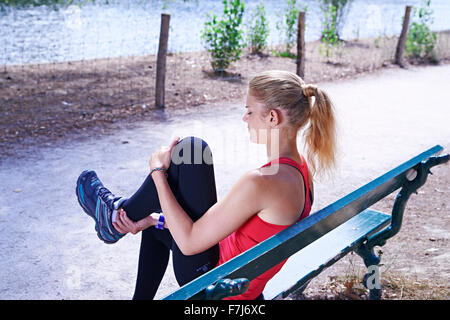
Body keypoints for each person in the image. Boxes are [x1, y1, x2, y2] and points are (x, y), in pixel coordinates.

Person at [75, 70, 337, 300]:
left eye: (249, 111)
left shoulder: (262, 182)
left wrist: (157, 171)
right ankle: (118, 216)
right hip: (239, 277)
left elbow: (189, 243)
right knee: (181, 170)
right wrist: (153, 219)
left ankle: (114, 217)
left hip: (218, 286)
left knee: (189, 151)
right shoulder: (300, 169)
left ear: (272, 118)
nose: (244, 119)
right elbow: (232, 232)